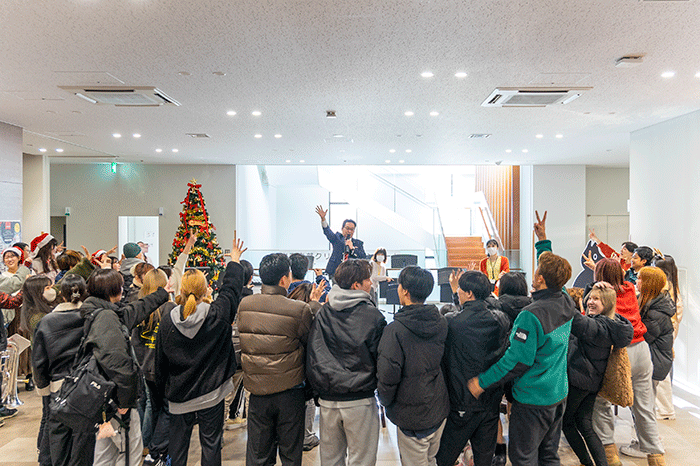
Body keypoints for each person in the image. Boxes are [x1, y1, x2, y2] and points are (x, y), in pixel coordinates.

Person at [468, 216, 575, 466]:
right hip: (558, 393)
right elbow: (554, 273)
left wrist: (482, 382)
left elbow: (516, 360)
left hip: (533, 399)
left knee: (523, 457)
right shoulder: (566, 300)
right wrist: (542, 242)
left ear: (539, 280)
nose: (534, 275)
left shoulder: (531, 315)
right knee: (549, 455)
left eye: (538, 272)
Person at [155, 236, 246, 466]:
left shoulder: (168, 320)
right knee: (211, 446)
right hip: (211, 395)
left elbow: (160, 363)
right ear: (206, 289)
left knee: (177, 450)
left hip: (178, 398)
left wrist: (163, 390)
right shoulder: (217, 315)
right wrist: (234, 261)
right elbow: (231, 290)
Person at [81, 267, 171, 466]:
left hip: (104, 398)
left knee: (106, 449)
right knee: (128, 450)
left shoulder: (103, 311)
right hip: (115, 401)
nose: (125, 289)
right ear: (114, 291)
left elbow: (135, 309)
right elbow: (118, 365)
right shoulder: (106, 320)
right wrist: (125, 402)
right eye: (121, 286)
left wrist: (162, 293)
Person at [306, 259, 387, 466]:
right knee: (362, 460)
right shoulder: (373, 316)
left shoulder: (323, 312)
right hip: (360, 399)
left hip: (328, 399)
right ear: (356, 285)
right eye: (367, 279)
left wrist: (318, 392)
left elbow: (313, 354)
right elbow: (381, 359)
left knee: (330, 460)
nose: (371, 283)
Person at [238, 252, 314, 466]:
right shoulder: (299, 309)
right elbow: (309, 343)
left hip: (257, 392)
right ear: (284, 279)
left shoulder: (245, 305)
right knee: (290, 455)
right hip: (290, 393)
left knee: (258, 456)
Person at [589, 259, 666, 466]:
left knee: (602, 401)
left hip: (618, 353)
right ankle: (656, 456)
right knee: (644, 406)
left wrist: (595, 288)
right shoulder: (630, 288)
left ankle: (610, 455)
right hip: (642, 350)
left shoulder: (603, 294)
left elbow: (591, 316)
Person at [433, 270, 508, 466]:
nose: (457, 292)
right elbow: (476, 310)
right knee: (484, 458)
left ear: (469, 293)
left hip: (461, 401)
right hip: (490, 400)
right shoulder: (500, 320)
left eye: (459, 289)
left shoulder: (451, 322)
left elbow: (460, 318)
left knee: (444, 458)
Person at [377, 266, 448, 466]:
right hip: (437, 405)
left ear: (405, 291)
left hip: (411, 413)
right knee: (431, 459)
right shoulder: (441, 322)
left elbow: (387, 375)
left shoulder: (395, 330)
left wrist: (385, 401)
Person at [563, 282, 634, 466]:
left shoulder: (597, 327)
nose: (591, 302)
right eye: (591, 298)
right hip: (592, 382)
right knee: (585, 424)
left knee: (567, 423)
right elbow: (586, 313)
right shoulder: (610, 324)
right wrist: (592, 287)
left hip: (580, 381)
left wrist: (558, 290)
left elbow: (577, 319)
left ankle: (587, 462)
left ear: (608, 304)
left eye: (597, 299)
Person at [32, 274, 91, 466]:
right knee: (84, 441)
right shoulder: (92, 317)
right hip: (88, 386)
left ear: (62, 295)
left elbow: (39, 360)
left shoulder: (47, 321)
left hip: (58, 387)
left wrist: (43, 388)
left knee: (57, 439)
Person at [132, 269, 172, 466]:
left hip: (143, 367)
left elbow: (135, 342)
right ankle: (152, 445)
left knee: (147, 405)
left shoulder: (139, 308)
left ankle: (144, 443)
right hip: (161, 369)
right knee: (160, 408)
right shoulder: (169, 308)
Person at [286, 281, 325, 452]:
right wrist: (316, 304)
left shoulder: (286, 311)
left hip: (287, 370)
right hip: (305, 370)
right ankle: (307, 437)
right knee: (307, 401)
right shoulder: (310, 313)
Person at [653, 255, 682, 420]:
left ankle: (665, 409)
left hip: (666, 330)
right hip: (668, 329)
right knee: (664, 367)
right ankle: (665, 408)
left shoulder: (667, 287)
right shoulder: (671, 285)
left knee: (662, 371)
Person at [637, 267, 675, 387]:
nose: (636, 282)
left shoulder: (655, 313)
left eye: (639, 279)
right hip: (651, 361)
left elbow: (644, 336)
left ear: (648, 283)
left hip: (655, 363)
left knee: (647, 403)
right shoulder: (646, 303)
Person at [314, 205, 367, 279]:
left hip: (352, 274)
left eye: (352, 229)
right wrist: (323, 219)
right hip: (336, 272)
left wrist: (352, 249)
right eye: (347, 228)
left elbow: (363, 257)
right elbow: (327, 231)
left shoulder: (358, 243)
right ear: (342, 228)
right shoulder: (337, 238)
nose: (349, 231)